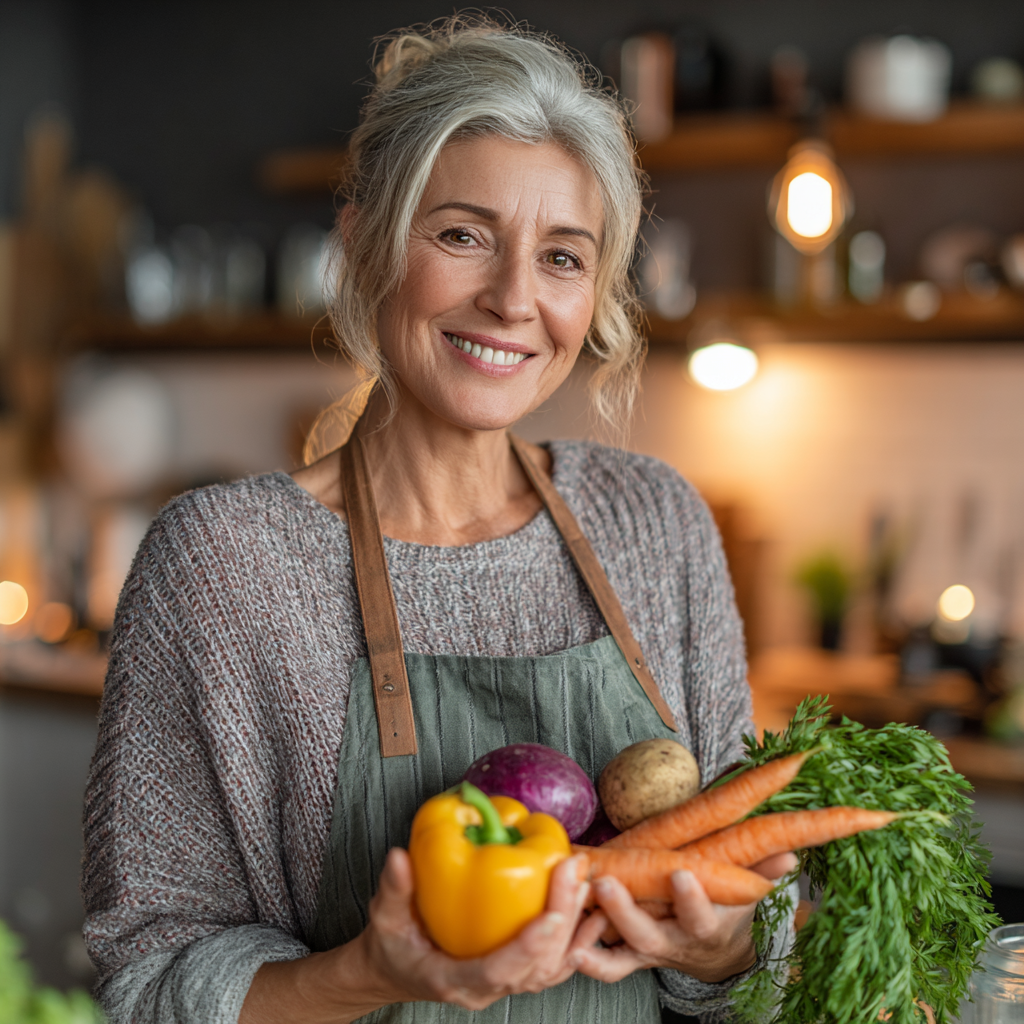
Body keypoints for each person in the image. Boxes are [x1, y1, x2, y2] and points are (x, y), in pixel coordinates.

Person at [82, 16, 796, 1024]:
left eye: (561, 256)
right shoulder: (225, 561)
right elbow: (150, 980)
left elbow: (756, 950)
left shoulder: (654, 522)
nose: (512, 298)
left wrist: (722, 947)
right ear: (363, 243)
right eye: (463, 235)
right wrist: (372, 971)